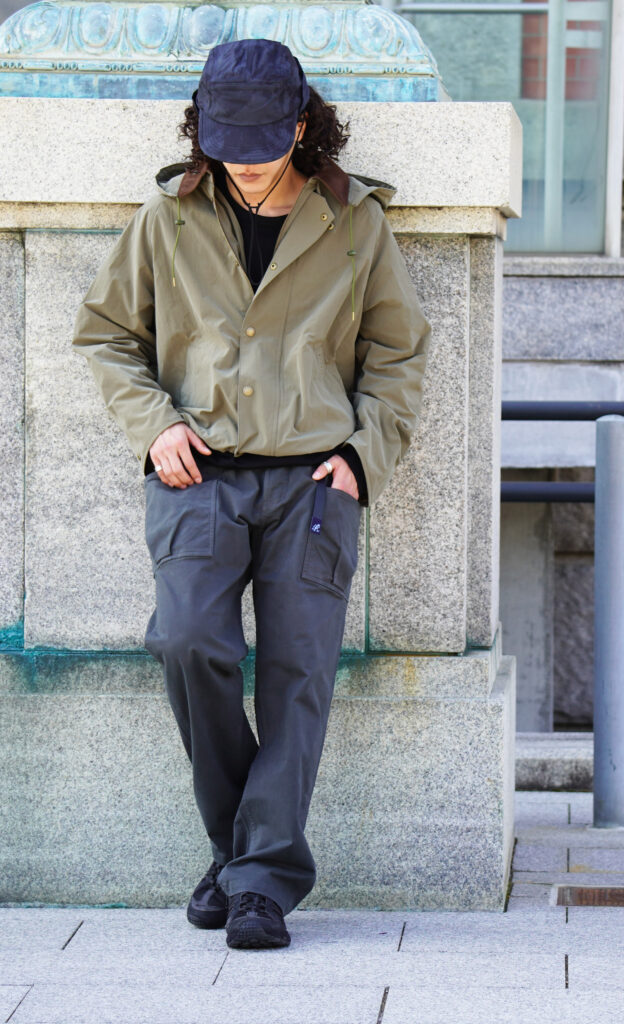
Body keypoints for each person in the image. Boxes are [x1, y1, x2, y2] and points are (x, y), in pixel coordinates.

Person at [72, 38, 431, 950]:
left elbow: (398, 353)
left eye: (263, 144)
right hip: (196, 473)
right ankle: (242, 852)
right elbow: (107, 334)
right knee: (188, 642)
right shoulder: (167, 217)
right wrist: (154, 425)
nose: (244, 163)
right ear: (203, 130)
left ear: (301, 126)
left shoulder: (354, 222)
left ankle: (260, 882)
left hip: (314, 481)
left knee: (297, 674)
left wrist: (362, 457)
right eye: (227, 144)